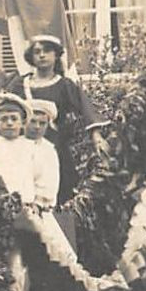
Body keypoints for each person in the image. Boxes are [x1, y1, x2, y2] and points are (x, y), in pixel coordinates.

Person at [19, 34, 99, 202]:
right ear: (31, 57)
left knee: (58, 193)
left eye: (47, 51)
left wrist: (96, 134)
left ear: (56, 55)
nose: (42, 55)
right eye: (37, 51)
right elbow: (6, 109)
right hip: (24, 147)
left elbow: (86, 109)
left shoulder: (64, 85)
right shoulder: (20, 84)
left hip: (55, 148)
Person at [0, 93, 37, 291]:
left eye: (13, 118)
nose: (9, 123)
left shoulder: (30, 147)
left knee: (18, 251)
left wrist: (31, 201)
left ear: (22, 122)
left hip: (23, 205)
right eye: (4, 118)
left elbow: (35, 177)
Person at [25, 98, 61, 212]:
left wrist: (37, 204)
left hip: (38, 208)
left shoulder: (48, 151)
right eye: (33, 121)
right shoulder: (14, 144)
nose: (37, 127)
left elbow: (49, 184)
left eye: (42, 123)